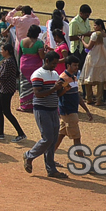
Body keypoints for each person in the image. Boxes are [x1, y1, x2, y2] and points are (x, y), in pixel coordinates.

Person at [23, 50, 67, 178]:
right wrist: (54, 88)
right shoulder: (38, 74)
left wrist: (63, 90)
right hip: (42, 109)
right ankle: (29, 155)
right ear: (46, 61)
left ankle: (51, 169)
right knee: (48, 138)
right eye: (53, 63)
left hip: (53, 109)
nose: (55, 66)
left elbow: (56, 93)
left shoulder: (54, 74)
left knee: (52, 140)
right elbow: (38, 93)